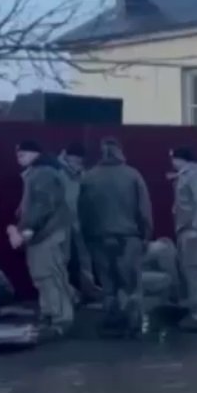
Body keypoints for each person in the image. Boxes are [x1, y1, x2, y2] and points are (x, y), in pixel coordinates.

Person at [79, 138, 152, 335]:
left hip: (98, 238)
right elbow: (144, 210)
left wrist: (87, 237)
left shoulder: (89, 177)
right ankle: (133, 321)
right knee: (130, 283)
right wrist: (146, 235)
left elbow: (83, 211)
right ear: (120, 151)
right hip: (128, 238)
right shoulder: (132, 175)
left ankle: (112, 319)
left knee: (108, 283)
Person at [10, 140, 75, 336]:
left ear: (33, 154)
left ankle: (61, 319)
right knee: (44, 276)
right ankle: (51, 315)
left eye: (22, 154)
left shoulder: (42, 173)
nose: (18, 158)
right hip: (44, 234)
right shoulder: (40, 172)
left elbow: (42, 204)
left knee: (50, 276)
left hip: (46, 234)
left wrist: (28, 227)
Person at [169, 146, 197, 331]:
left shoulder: (195, 176)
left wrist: (196, 227)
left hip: (192, 231)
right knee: (191, 274)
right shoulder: (188, 175)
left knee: (195, 273)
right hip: (187, 230)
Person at [59, 143, 98, 301]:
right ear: (66, 156)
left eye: (79, 161)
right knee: (62, 257)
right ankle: (64, 292)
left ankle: (88, 289)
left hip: (78, 218)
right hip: (60, 220)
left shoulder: (81, 173)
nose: (77, 164)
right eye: (74, 161)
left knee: (84, 256)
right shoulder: (56, 170)